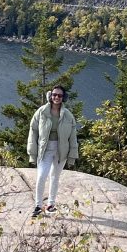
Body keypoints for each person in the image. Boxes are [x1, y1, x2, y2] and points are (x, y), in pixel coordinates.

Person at [27, 85, 78, 217]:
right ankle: (38, 206)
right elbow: (33, 131)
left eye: (60, 95)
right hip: (45, 149)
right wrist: (32, 153)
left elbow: (73, 137)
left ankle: (50, 205)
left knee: (55, 177)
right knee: (41, 176)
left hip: (61, 151)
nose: (56, 97)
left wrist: (72, 157)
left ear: (63, 98)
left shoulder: (68, 116)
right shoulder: (42, 112)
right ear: (50, 95)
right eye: (54, 94)